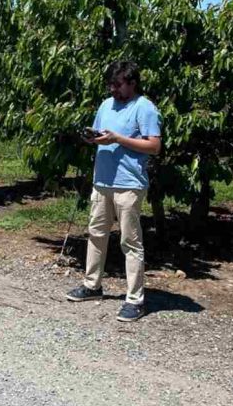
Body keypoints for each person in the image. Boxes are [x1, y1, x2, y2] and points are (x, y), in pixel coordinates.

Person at [66, 60, 162, 322]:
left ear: (132, 83)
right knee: (96, 234)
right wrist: (93, 138)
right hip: (102, 181)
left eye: (117, 84)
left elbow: (154, 146)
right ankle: (92, 285)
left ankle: (135, 299)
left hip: (128, 185)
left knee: (130, 241)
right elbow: (101, 134)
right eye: (110, 84)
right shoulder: (106, 105)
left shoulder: (144, 108)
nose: (112, 90)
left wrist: (117, 138)